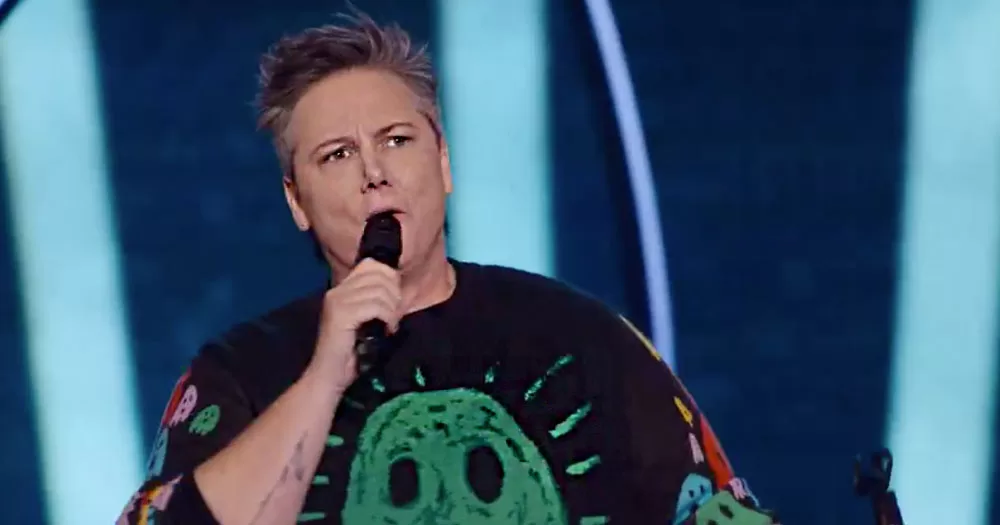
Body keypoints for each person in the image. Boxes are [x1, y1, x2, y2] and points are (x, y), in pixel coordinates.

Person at [117, 11, 778, 525]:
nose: (375, 173)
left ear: (442, 162)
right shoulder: (240, 373)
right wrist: (324, 376)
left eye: (396, 141)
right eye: (338, 155)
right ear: (297, 200)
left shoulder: (583, 340)